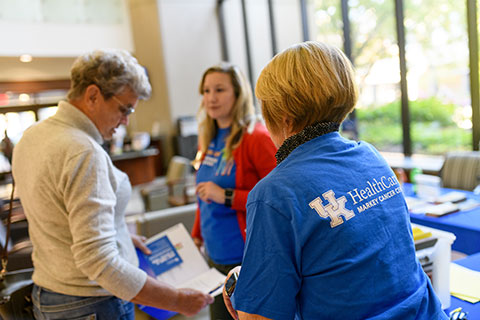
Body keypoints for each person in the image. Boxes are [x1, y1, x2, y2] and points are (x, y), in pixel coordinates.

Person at [223, 41, 448, 319]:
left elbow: (258, 317)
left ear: (283, 116)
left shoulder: (274, 194)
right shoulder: (371, 157)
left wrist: (242, 281)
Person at [12, 49, 213, 319]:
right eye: (124, 108)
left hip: (50, 294)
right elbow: (98, 260)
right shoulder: (83, 152)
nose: (126, 120)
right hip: (90, 302)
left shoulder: (32, 136)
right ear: (93, 95)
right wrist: (176, 300)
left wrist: (117, 235)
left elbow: (56, 216)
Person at [191, 62, 277, 320]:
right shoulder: (209, 137)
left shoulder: (256, 137)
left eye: (219, 90)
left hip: (245, 258)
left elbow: (277, 199)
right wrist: (197, 236)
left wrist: (226, 196)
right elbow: (203, 195)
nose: (211, 98)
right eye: (206, 91)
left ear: (238, 94)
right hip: (214, 256)